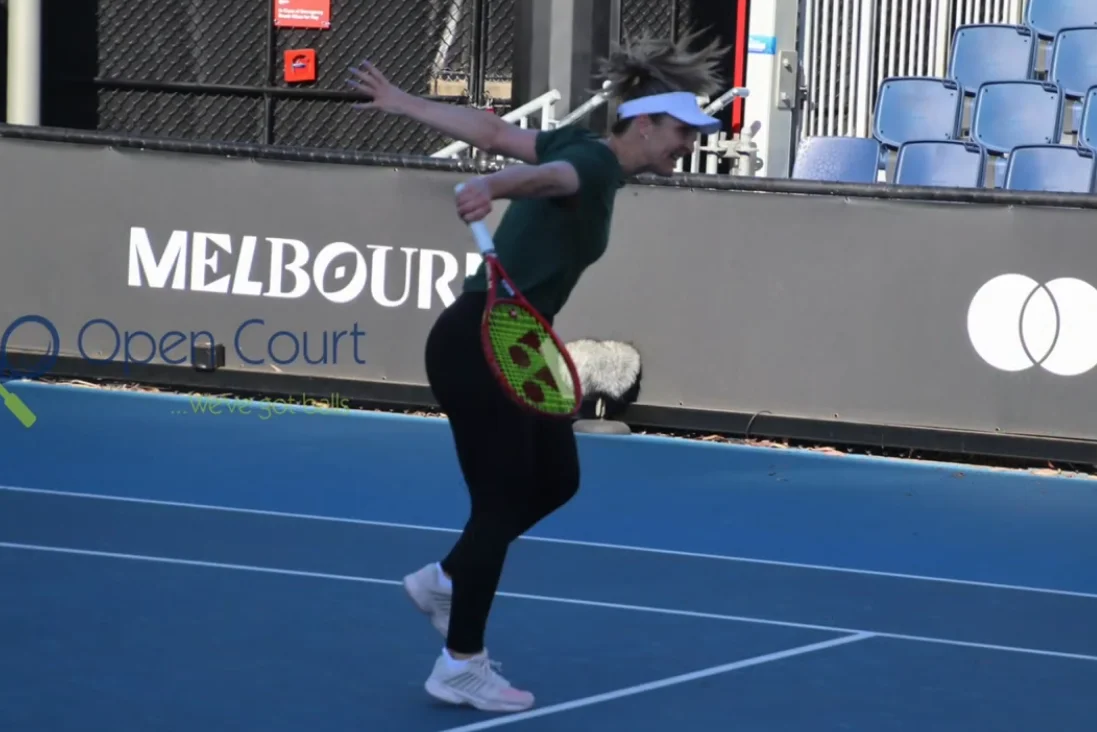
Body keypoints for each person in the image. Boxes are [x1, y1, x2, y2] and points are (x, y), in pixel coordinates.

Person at [346, 31, 729, 714]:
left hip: (513, 343)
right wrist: (492, 187)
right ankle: (460, 663)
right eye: (679, 130)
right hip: (478, 340)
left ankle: (445, 579)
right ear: (641, 123)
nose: (687, 143)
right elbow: (552, 179)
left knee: (557, 480)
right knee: (498, 502)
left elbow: (492, 130)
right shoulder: (594, 162)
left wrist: (405, 102)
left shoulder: (577, 149)